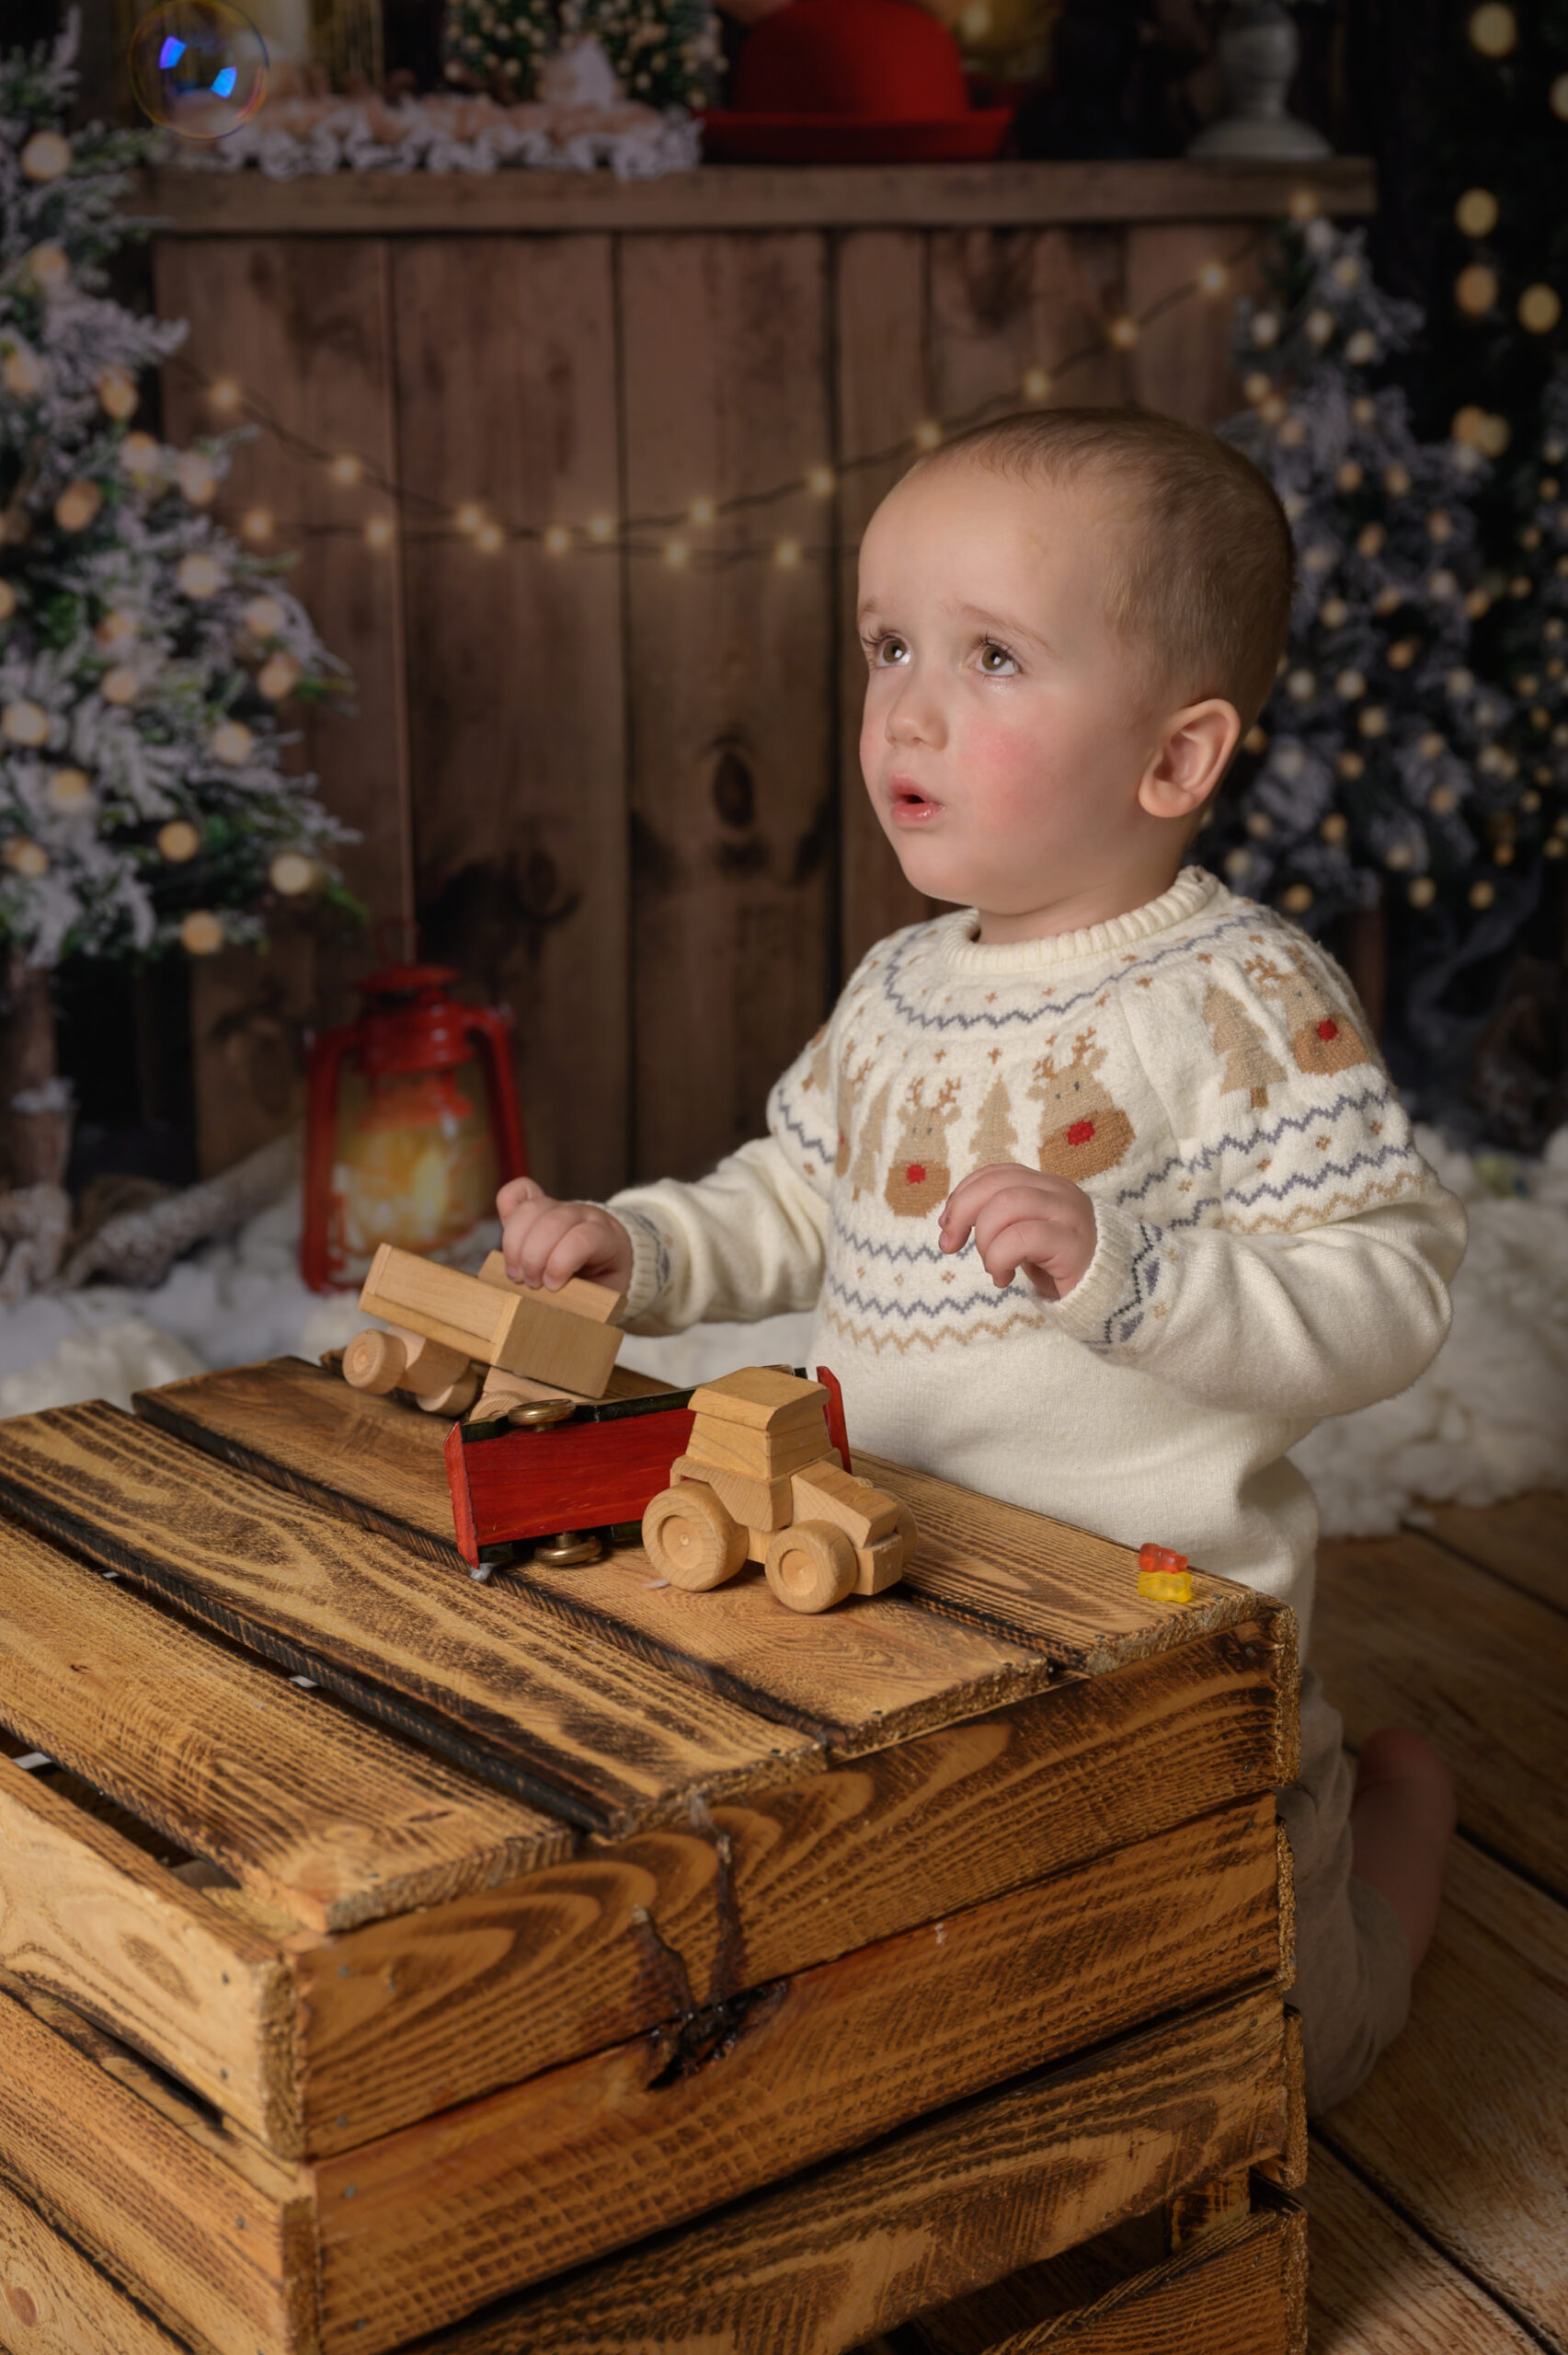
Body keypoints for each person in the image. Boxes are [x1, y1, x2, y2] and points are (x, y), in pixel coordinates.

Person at [498, 406, 1462, 2115]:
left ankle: (1396, 1824)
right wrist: (632, 1251)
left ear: (1174, 760)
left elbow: (1391, 1291)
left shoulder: (1235, 1001)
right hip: (906, 1607)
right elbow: (794, 1194)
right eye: (887, 648)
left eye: (993, 657)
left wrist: (1137, 1270)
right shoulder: (897, 989)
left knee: (1283, 2052)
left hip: (1163, 1645)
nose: (907, 711)